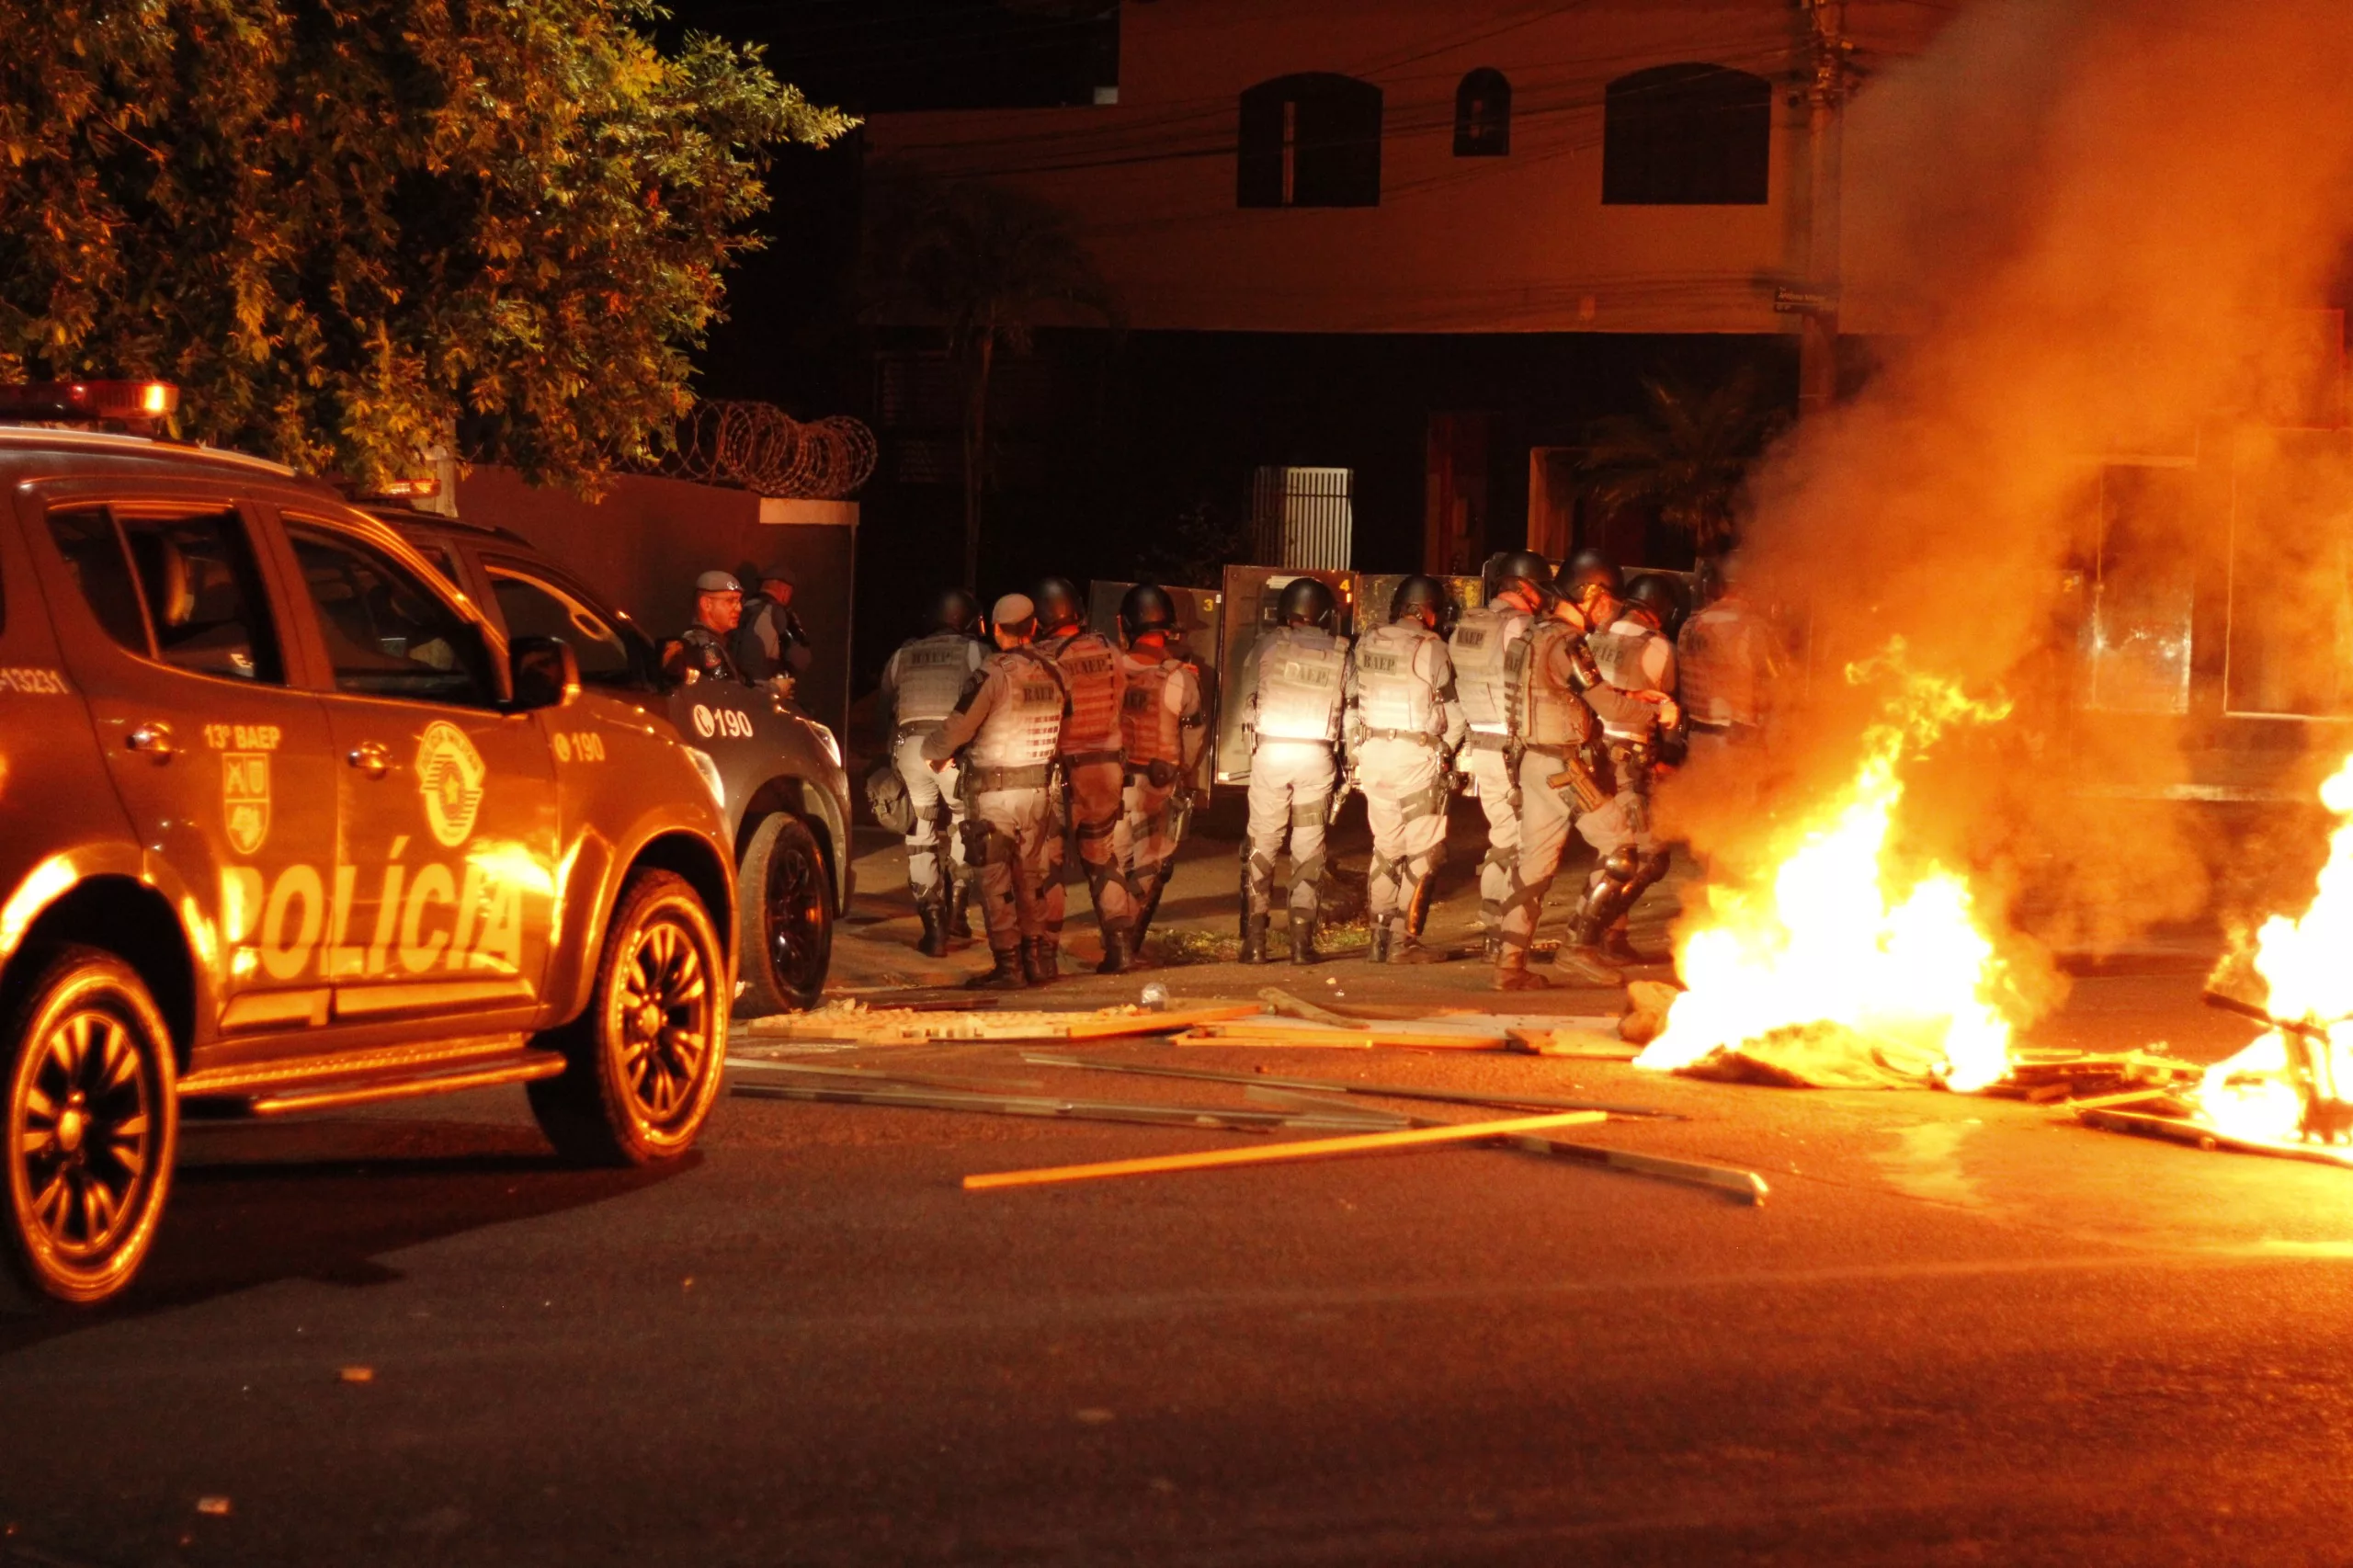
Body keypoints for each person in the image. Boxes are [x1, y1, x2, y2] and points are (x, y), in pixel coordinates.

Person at [922, 594, 1071, 989]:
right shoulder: (1056, 671)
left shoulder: (993, 672)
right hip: (1038, 792)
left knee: (995, 883)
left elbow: (959, 726)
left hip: (995, 794)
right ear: (1034, 627)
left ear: (994, 628)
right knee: (1031, 878)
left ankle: (1008, 966)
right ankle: (1035, 960)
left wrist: (932, 753)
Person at [1557, 573, 1686, 986]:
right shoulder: (1658, 648)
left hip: (1591, 751)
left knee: (1620, 844)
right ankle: (1587, 937)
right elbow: (1665, 707)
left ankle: (1612, 936)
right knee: (1642, 854)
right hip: (1630, 757)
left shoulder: (1593, 638)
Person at [1348, 575, 1468, 964]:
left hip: (1373, 755)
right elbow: (1454, 712)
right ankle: (1404, 941)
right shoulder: (1431, 648)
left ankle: (1378, 936)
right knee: (1425, 850)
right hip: (1415, 757)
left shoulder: (1367, 640)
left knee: (1386, 847)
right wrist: (1446, 751)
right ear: (1425, 610)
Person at [1239, 577, 1352, 965]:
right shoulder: (1342, 651)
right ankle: (1302, 944)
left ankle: (1254, 942)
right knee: (1308, 848)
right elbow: (1351, 709)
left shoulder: (1270, 643)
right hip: (1315, 756)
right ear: (1323, 612)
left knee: (1263, 843)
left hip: (1272, 752)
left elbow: (1248, 688)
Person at [1448, 551, 1552, 961]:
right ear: (1526, 587)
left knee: (1501, 837)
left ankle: (1493, 927)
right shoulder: (1522, 627)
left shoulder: (1467, 624)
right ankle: (1506, 935)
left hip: (1483, 745)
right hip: (1517, 747)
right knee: (1526, 843)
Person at [1033, 576, 1139, 974]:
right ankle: (1121, 949)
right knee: (1102, 857)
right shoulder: (1108, 649)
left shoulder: (1045, 656)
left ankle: (1045, 958)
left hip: (1064, 771)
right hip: (1109, 767)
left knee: (1051, 865)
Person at [878, 587, 986, 957]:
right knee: (961, 822)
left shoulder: (901, 655)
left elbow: (886, 707)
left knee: (920, 833)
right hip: (951, 749)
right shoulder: (973, 651)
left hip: (910, 749)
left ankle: (934, 928)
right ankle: (958, 908)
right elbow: (984, 697)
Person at [1114, 583, 1207, 954]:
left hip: (1112, 784)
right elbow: (1194, 736)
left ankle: (1114, 938)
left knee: (1111, 864)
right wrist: (1186, 773)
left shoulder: (1109, 670)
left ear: (1126, 625)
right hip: (1159, 784)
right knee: (1149, 864)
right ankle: (1129, 939)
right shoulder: (1181, 677)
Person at [1678, 552, 1781, 765]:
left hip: (1695, 739)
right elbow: (1782, 685)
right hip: (1737, 744)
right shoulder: (1753, 628)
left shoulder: (1688, 626)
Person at [733, 567, 814, 690]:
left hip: (734, 686)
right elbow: (801, 660)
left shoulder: (739, 609)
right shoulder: (781, 613)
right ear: (785, 592)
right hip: (765, 689)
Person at [674, 570, 747, 684]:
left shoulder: (713, 641)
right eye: (730, 600)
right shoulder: (706, 646)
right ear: (706, 604)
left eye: (739, 601)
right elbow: (728, 692)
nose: (739, 608)